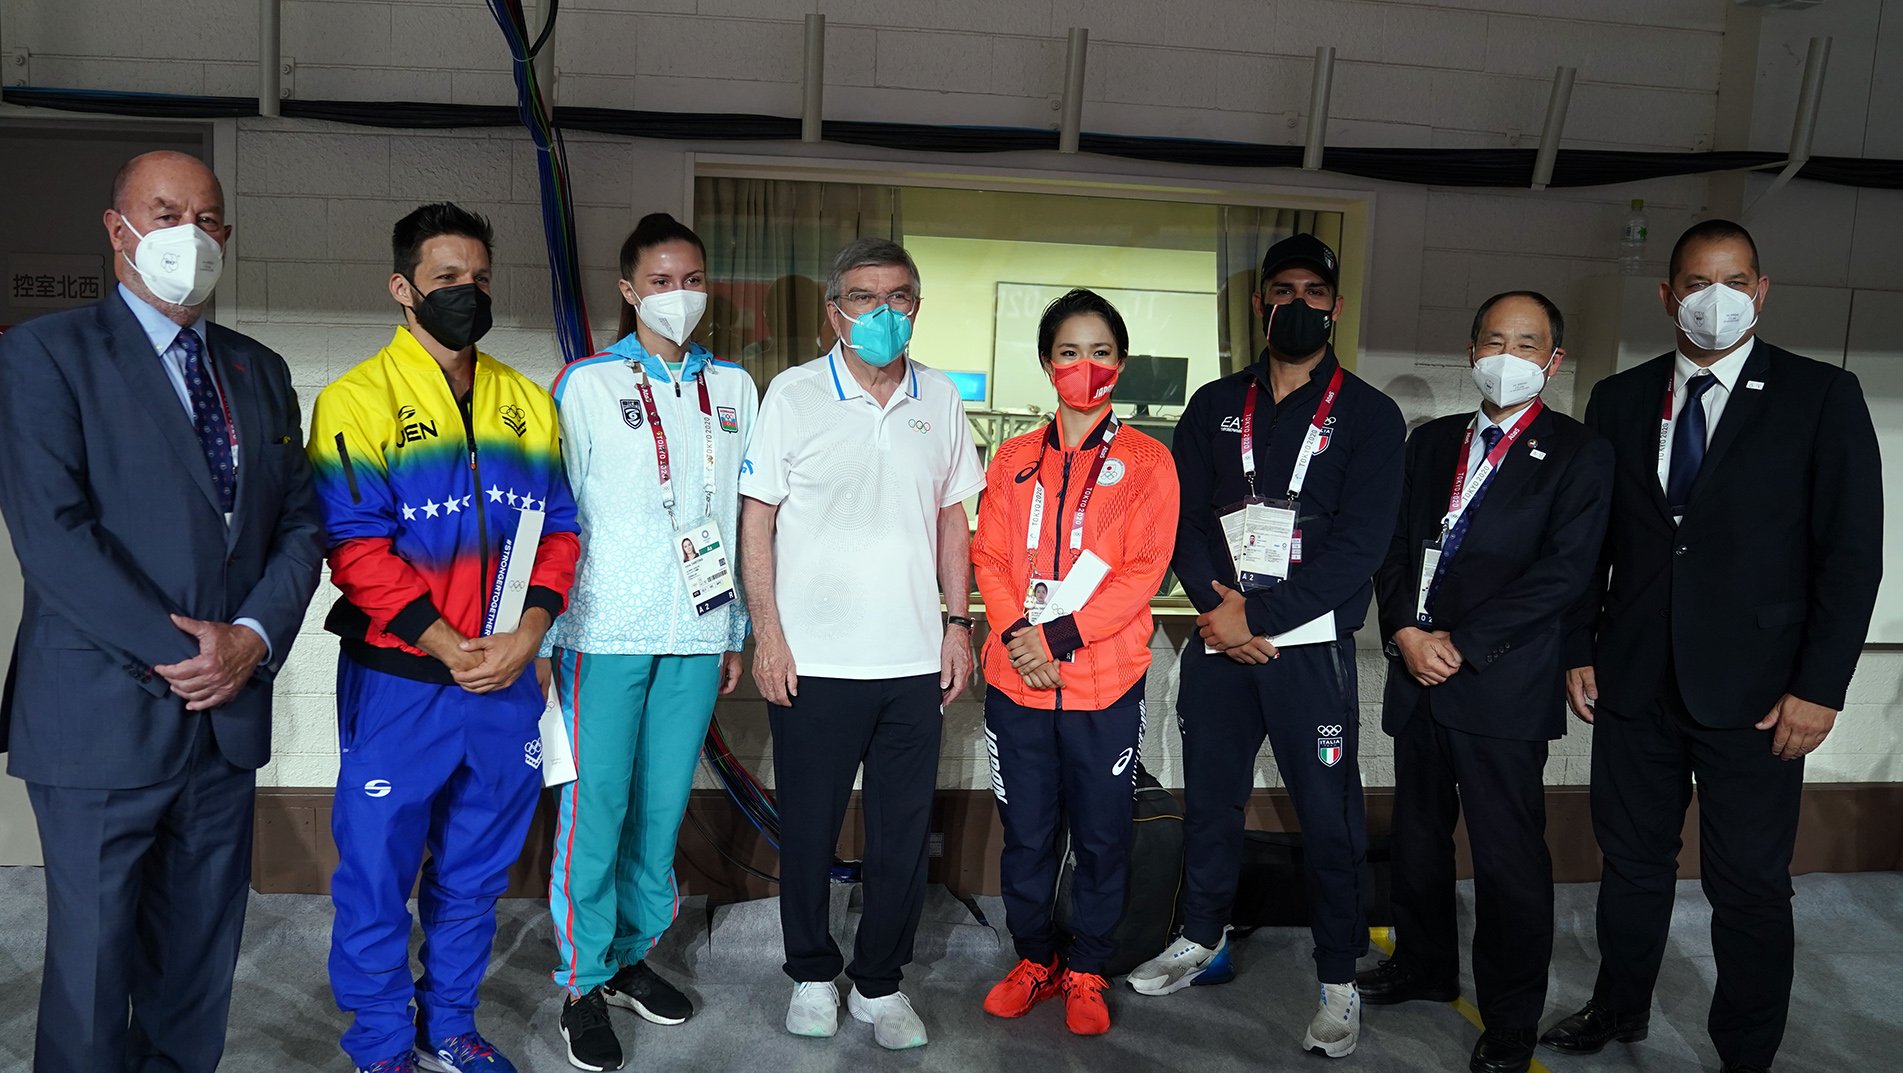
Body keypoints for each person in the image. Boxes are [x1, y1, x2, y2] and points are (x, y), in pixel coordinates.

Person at [0, 150, 325, 1073]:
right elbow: (54, 539)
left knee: (197, 966)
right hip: (101, 714)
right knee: (93, 970)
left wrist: (251, 641)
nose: (193, 235)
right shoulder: (43, 355)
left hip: (224, 724)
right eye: (168, 212)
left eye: (210, 218)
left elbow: (300, 524)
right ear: (118, 229)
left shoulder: (258, 371)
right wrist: (189, 654)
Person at [1543, 221, 1882, 1073]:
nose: (1715, 298)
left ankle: (1744, 1050)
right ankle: (1618, 1007)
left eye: (1733, 281)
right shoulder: (1618, 400)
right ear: (1667, 296)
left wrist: (1821, 686)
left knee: (1749, 885)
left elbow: (1850, 554)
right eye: (1696, 282)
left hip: (1761, 691)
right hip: (1635, 679)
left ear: (1760, 292)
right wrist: (1579, 642)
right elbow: (1590, 540)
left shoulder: (1819, 395)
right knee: (1630, 865)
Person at [308, 203, 581, 1073]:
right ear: (403, 289)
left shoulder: (524, 402)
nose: (469, 293)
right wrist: (444, 642)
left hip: (504, 679)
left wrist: (528, 632)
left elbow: (562, 527)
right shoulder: (355, 400)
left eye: (481, 278)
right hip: (403, 681)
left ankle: (448, 1026)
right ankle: (383, 1042)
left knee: (474, 873)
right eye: (447, 280)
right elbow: (353, 546)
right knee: (379, 876)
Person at [1133, 233, 1404, 1060]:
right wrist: (1225, 612)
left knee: (1328, 818)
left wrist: (1261, 618)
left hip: (1307, 649)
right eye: (1280, 289)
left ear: (1335, 304)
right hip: (1219, 637)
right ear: (1259, 303)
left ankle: (1336, 980)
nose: (1297, 303)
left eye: (1312, 291)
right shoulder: (1215, 402)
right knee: (1211, 797)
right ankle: (1200, 935)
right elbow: (1182, 521)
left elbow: (1359, 547)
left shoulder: (1368, 415)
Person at [739, 237, 985, 1051]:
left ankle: (880, 982)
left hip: (913, 661)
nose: (883, 313)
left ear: (917, 304)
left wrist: (958, 622)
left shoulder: (940, 397)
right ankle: (812, 972)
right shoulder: (794, 394)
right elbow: (758, 517)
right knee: (808, 827)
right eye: (863, 297)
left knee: (901, 834)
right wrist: (767, 631)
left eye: (899, 296)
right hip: (814, 662)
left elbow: (954, 515)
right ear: (833, 312)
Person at [1361, 292, 1613, 1073]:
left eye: (1527, 342)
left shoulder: (1579, 451)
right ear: (1471, 352)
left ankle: (1509, 1015)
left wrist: (1461, 646)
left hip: (1500, 684)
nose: (1508, 354)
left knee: (1508, 862)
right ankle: (1424, 963)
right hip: (1417, 673)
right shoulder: (1430, 442)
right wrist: (1404, 631)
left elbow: (1565, 574)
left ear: (1552, 360)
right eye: (1494, 339)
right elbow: (1394, 547)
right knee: (1417, 838)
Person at [540, 213, 757, 1072]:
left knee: (660, 811)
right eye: (661, 281)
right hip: (602, 631)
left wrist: (735, 625)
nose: (679, 295)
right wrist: (546, 627)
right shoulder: (587, 383)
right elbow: (559, 511)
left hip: (697, 634)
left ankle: (630, 956)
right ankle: (580, 981)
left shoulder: (738, 388)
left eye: (691, 278)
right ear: (628, 290)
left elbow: (738, 519)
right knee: (595, 813)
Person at [971, 289, 1180, 1036]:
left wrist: (1055, 638)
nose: (1082, 366)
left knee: (1100, 837)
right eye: (1067, 352)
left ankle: (1087, 965)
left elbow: (1141, 572)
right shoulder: (1014, 458)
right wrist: (1017, 635)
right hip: (1015, 686)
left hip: (1101, 688)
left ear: (1118, 364)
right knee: (1025, 835)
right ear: (1046, 363)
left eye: (1098, 352)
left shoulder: (1150, 461)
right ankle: (1035, 958)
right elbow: (990, 555)